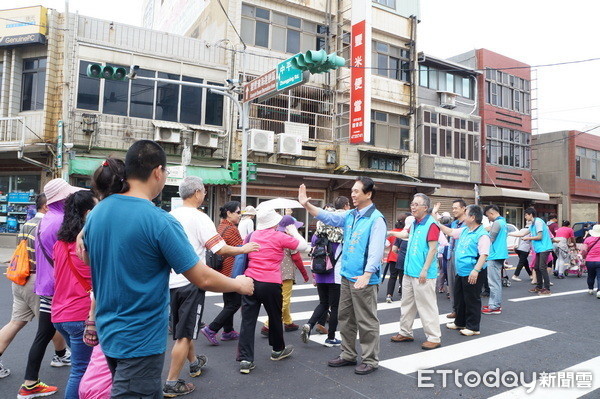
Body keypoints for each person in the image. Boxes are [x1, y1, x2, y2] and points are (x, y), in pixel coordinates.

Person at [83, 140, 254, 398]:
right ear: (157, 172)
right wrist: (239, 284)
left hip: (109, 331)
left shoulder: (98, 212)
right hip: (139, 339)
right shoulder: (158, 220)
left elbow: (88, 257)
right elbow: (202, 278)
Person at [166, 177, 258, 396]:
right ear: (197, 192)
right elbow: (220, 249)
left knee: (186, 329)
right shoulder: (199, 217)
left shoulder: (170, 216)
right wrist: (244, 249)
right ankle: (171, 382)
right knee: (185, 335)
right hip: (192, 281)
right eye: (204, 191)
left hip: (171, 282)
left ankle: (195, 362)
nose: (205, 194)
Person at [299, 177, 386, 375]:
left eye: (357, 191)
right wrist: (306, 204)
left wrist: (367, 274)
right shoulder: (351, 215)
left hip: (364, 279)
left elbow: (376, 250)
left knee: (366, 320)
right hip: (346, 276)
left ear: (368, 194)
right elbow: (329, 218)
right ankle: (347, 354)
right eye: (352, 191)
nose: (353, 194)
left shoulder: (376, 219)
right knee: (345, 317)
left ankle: (370, 360)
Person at [18, 179, 84, 398]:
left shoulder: (46, 219)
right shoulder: (62, 222)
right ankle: (29, 383)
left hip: (46, 284)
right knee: (49, 334)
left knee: (46, 332)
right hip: (60, 287)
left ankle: (31, 381)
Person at [237, 208, 307, 374]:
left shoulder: (252, 235)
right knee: (275, 317)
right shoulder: (279, 236)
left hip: (250, 280)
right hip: (270, 282)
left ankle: (246, 360)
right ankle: (277, 350)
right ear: (274, 222)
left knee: (247, 320)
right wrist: (293, 231)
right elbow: (303, 246)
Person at [52, 190, 97, 399]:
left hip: (59, 315)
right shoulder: (85, 247)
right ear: (88, 214)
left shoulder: (59, 244)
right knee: (81, 370)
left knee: (84, 368)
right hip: (80, 316)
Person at [0, 195, 51, 379]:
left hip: (20, 277)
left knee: (15, 322)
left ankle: (62, 354)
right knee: (50, 324)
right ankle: (61, 355)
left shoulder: (26, 224)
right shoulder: (46, 225)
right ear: (46, 206)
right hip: (36, 280)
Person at [389, 193, 442, 350]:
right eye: (412, 204)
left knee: (427, 305)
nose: (413, 207)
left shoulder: (431, 224)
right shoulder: (414, 223)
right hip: (409, 272)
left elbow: (433, 249)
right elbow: (405, 235)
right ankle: (405, 332)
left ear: (425, 207)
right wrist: (391, 233)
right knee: (407, 304)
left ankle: (434, 337)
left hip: (422, 274)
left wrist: (424, 270)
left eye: (416, 204)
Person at [301, 196, 350, 347]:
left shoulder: (318, 234)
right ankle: (331, 337)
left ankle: (309, 325)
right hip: (335, 273)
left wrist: (314, 275)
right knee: (335, 307)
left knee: (323, 303)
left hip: (320, 271)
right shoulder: (343, 232)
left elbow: (312, 251)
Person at [437, 205, 490, 336]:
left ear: (472, 217)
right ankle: (459, 322)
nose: (463, 216)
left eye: (466, 214)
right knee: (460, 297)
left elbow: (484, 254)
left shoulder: (482, 234)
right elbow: (450, 232)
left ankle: (473, 327)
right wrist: (436, 222)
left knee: (472, 299)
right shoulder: (465, 230)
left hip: (473, 271)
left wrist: (476, 270)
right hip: (461, 271)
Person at [202, 201, 246, 344]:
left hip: (221, 270)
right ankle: (212, 329)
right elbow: (240, 249)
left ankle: (228, 331)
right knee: (234, 303)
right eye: (238, 212)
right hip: (231, 270)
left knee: (229, 301)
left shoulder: (221, 227)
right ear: (229, 213)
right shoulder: (231, 229)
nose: (240, 215)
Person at [261, 216, 310, 335]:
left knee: (282, 299)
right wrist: (305, 274)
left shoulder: (272, 236)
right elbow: (297, 258)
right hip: (286, 274)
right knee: (284, 301)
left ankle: (288, 322)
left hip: (272, 273)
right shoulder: (289, 238)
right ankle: (268, 325)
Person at [510, 208, 553, 295]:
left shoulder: (538, 222)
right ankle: (539, 287)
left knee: (542, 267)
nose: (525, 217)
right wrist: (508, 234)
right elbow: (522, 234)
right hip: (539, 249)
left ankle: (547, 288)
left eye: (526, 215)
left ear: (530, 214)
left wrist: (528, 238)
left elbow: (539, 236)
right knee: (536, 267)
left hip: (544, 248)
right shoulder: (532, 224)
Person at [482, 205, 508, 315]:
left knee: (493, 282)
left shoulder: (497, 223)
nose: (488, 218)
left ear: (492, 213)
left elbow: (490, 238)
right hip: (500, 253)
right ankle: (494, 304)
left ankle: (495, 306)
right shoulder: (503, 222)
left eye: (488, 216)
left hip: (495, 254)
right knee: (495, 281)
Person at [445, 199, 467, 319]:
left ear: (464, 208)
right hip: (450, 255)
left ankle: (463, 311)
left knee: (461, 286)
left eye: (456, 208)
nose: (453, 210)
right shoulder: (454, 223)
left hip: (462, 257)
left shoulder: (468, 224)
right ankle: (455, 309)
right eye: (452, 208)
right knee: (452, 284)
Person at [385, 216, 405, 303]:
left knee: (392, 277)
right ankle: (403, 296)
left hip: (392, 258)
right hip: (402, 258)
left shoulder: (393, 232)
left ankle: (389, 295)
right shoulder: (404, 233)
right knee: (402, 278)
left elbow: (386, 244)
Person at [582, 224, 600, 298]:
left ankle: (590, 289)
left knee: (590, 275)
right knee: (599, 277)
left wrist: (583, 257)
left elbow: (583, 250)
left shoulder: (588, 239)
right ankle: (599, 291)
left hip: (589, 260)